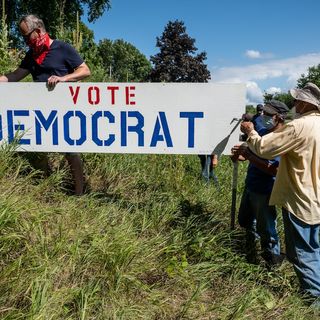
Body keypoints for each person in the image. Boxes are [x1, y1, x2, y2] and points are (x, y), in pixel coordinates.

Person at [241, 83, 320, 305]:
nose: (294, 104)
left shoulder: (299, 126)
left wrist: (251, 132)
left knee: (302, 254)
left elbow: (264, 149)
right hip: (315, 199)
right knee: (313, 248)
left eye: (296, 101)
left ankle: (313, 302)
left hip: (300, 199)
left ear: (305, 103)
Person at [0, 14, 91, 195]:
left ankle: (80, 193)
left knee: (70, 152)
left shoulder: (62, 48)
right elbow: (16, 75)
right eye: (23, 36)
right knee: (40, 150)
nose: (25, 40)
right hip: (42, 112)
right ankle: (46, 189)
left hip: (64, 110)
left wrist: (64, 78)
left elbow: (85, 70)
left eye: (27, 36)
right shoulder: (31, 55)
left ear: (39, 30)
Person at [231, 100, 288, 266]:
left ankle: (273, 261)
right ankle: (251, 247)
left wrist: (249, 156)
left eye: (268, 115)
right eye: (264, 113)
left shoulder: (280, 139)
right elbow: (252, 153)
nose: (264, 116)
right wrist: (241, 154)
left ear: (278, 118)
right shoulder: (262, 132)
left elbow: (274, 170)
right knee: (245, 220)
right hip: (251, 185)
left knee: (267, 230)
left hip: (265, 190)